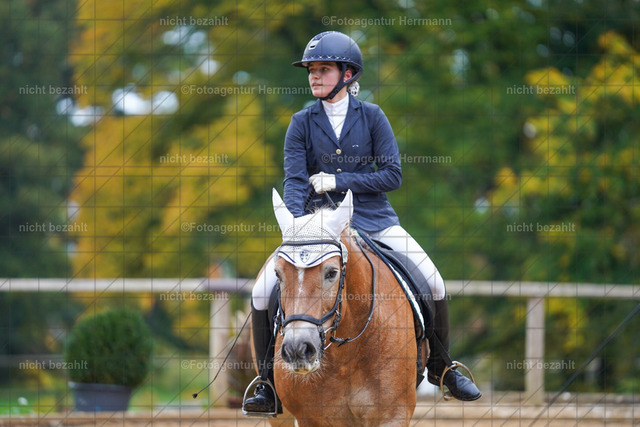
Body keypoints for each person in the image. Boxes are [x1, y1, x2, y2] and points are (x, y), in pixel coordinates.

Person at [243, 31, 481, 414]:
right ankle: (267, 385)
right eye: (311, 70)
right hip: (315, 228)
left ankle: (442, 368)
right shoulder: (301, 122)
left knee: (434, 281)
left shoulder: (372, 117)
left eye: (323, 69)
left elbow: (392, 175)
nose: (314, 76)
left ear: (348, 74)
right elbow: (294, 180)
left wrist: (338, 182)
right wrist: (298, 226)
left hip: (375, 220)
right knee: (260, 291)